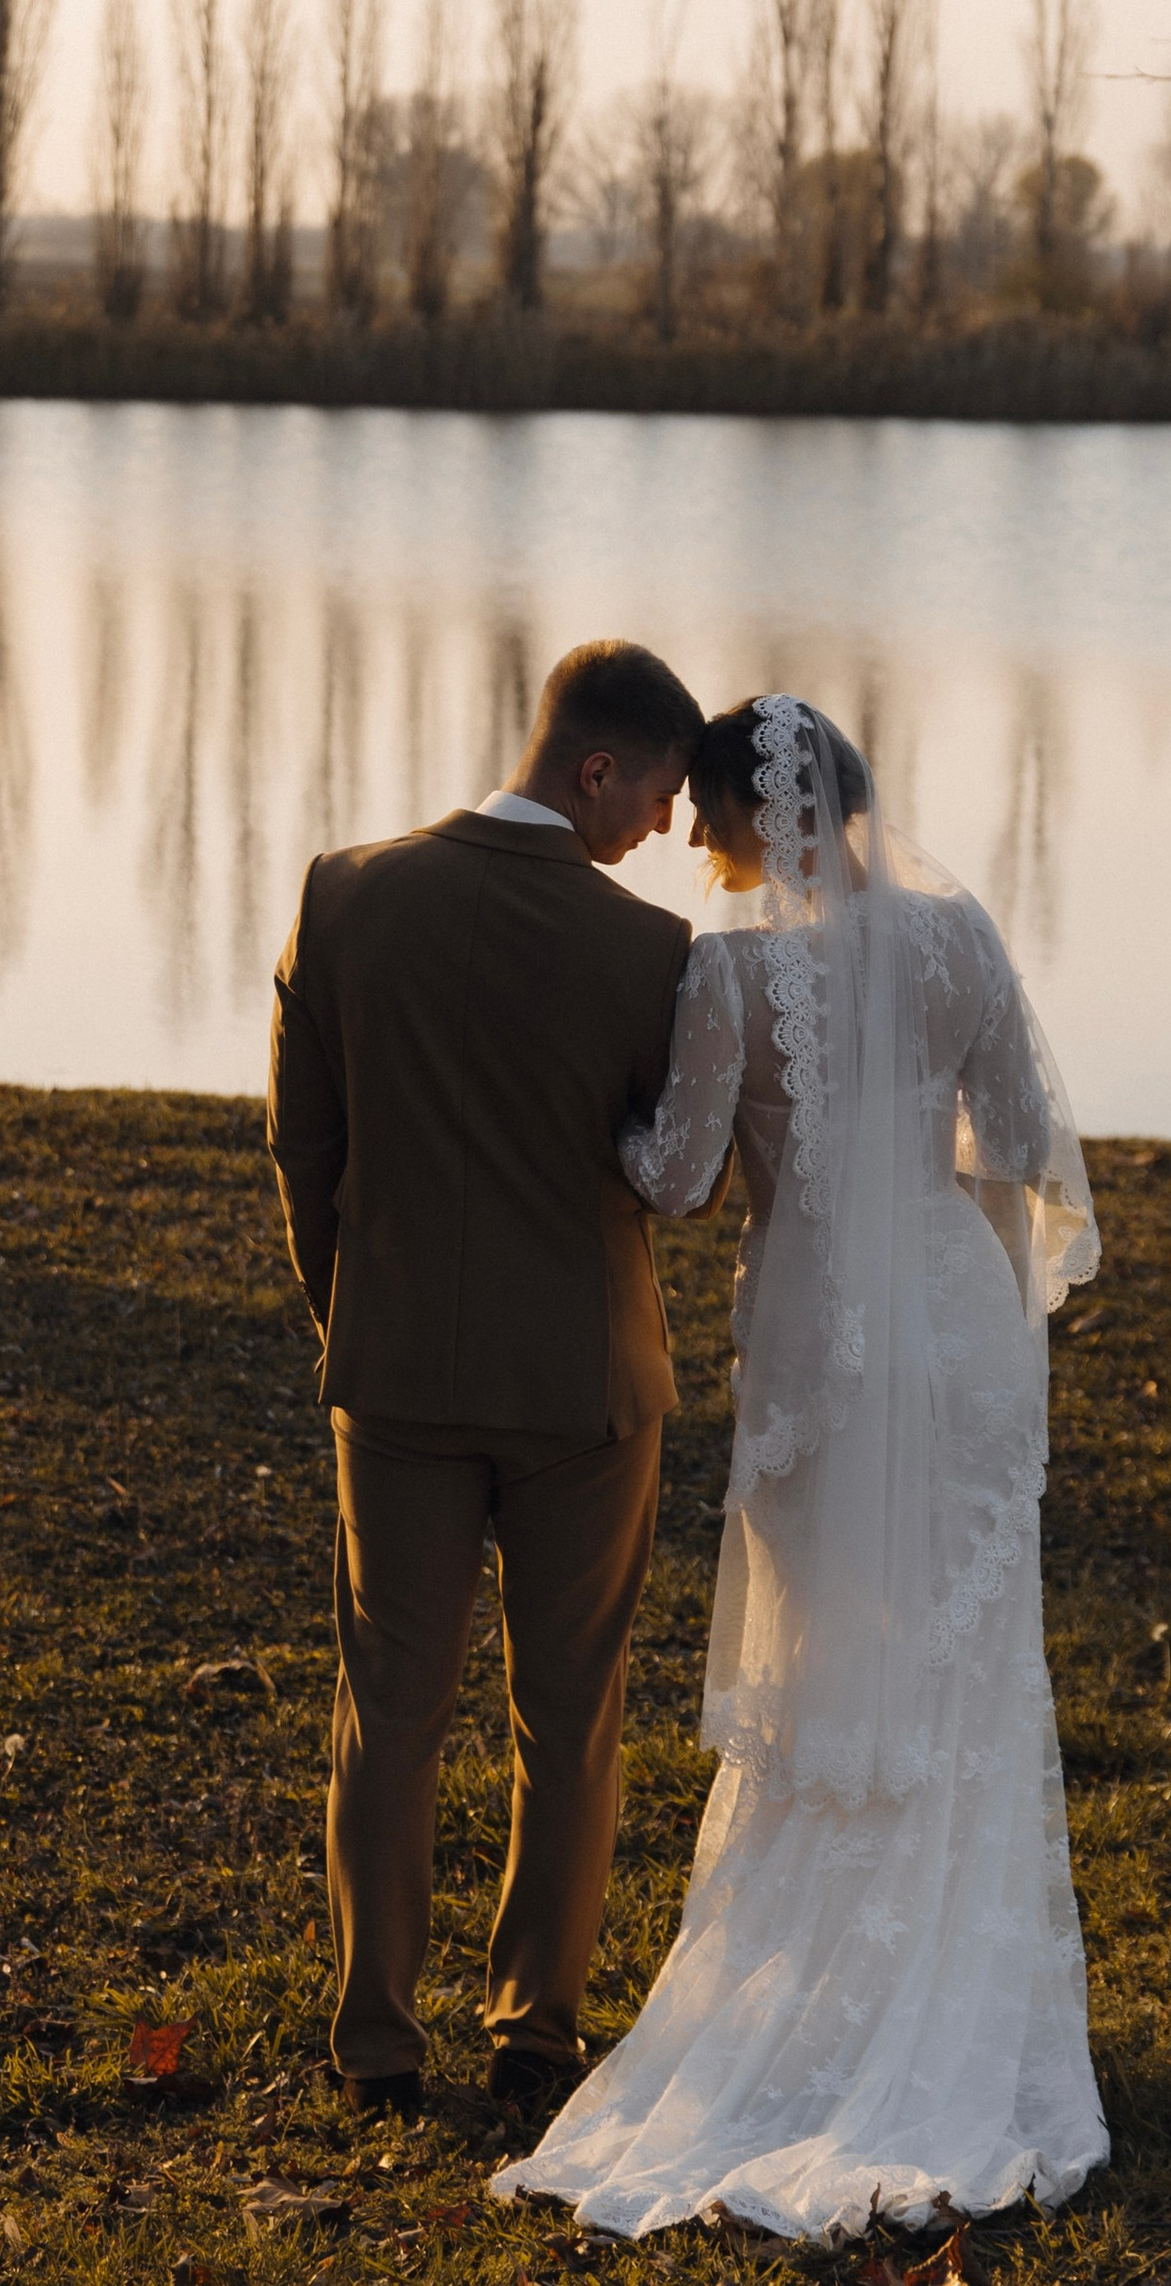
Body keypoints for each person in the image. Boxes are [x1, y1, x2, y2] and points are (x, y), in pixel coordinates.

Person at [496, 691, 1106, 2243]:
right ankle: (960, 1992)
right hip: (958, 1337)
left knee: (832, 1655)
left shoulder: (734, 970)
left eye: (709, 813)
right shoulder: (961, 935)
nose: (695, 841)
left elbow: (683, 1176)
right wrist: (910, 1168)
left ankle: (824, 1998)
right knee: (961, 1660)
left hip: (827, 1349)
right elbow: (1026, 1137)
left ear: (762, 814)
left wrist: (594, 1122)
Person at [267, 636, 705, 2126]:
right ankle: (534, 2029)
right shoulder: (650, 956)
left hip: (395, 1377)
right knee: (566, 1713)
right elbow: (665, 1162)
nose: (659, 830)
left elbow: (301, 1145)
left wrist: (358, 1307)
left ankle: (378, 2041)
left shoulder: (345, 894)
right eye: (650, 798)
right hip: (585, 1386)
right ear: (596, 768)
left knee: (388, 1701)